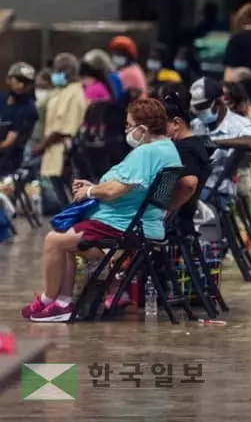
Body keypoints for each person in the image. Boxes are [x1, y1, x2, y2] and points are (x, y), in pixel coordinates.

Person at [21, 98, 183, 323]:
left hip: (123, 226)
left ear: (143, 129)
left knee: (53, 240)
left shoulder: (146, 152)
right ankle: (63, 302)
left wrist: (90, 193)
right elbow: (134, 187)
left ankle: (50, 299)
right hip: (143, 224)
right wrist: (94, 187)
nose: (126, 130)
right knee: (65, 239)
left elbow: (116, 189)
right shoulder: (167, 149)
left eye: (129, 125)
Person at [188, 78, 251, 204]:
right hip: (192, 186)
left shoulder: (238, 124)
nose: (199, 112)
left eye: (203, 107)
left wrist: (214, 143)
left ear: (218, 102)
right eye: (197, 108)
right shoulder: (196, 125)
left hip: (216, 190)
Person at [34, 53, 87, 209]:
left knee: (71, 195)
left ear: (68, 71)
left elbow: (65, 129)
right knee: (60, 192)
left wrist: (42, 146)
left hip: (64, 151)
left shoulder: (75, 93)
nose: (55, 75)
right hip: (52, 149)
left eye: (58, 71)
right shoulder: (62, 90)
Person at [158, 85, 211, 234]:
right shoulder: (195, 143)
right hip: (180, 217)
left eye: (161, 126)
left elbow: (189, 183)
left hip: (176, 222)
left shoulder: (184, 149)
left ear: (176, 123)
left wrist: (167, 211)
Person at [0, 63, 38, 178]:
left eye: (26, 82)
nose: (21, 85)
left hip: (11, 167)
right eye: (19, 80)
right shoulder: (2, 98)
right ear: (8, 79)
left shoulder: (28, 108)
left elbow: (9, 142)